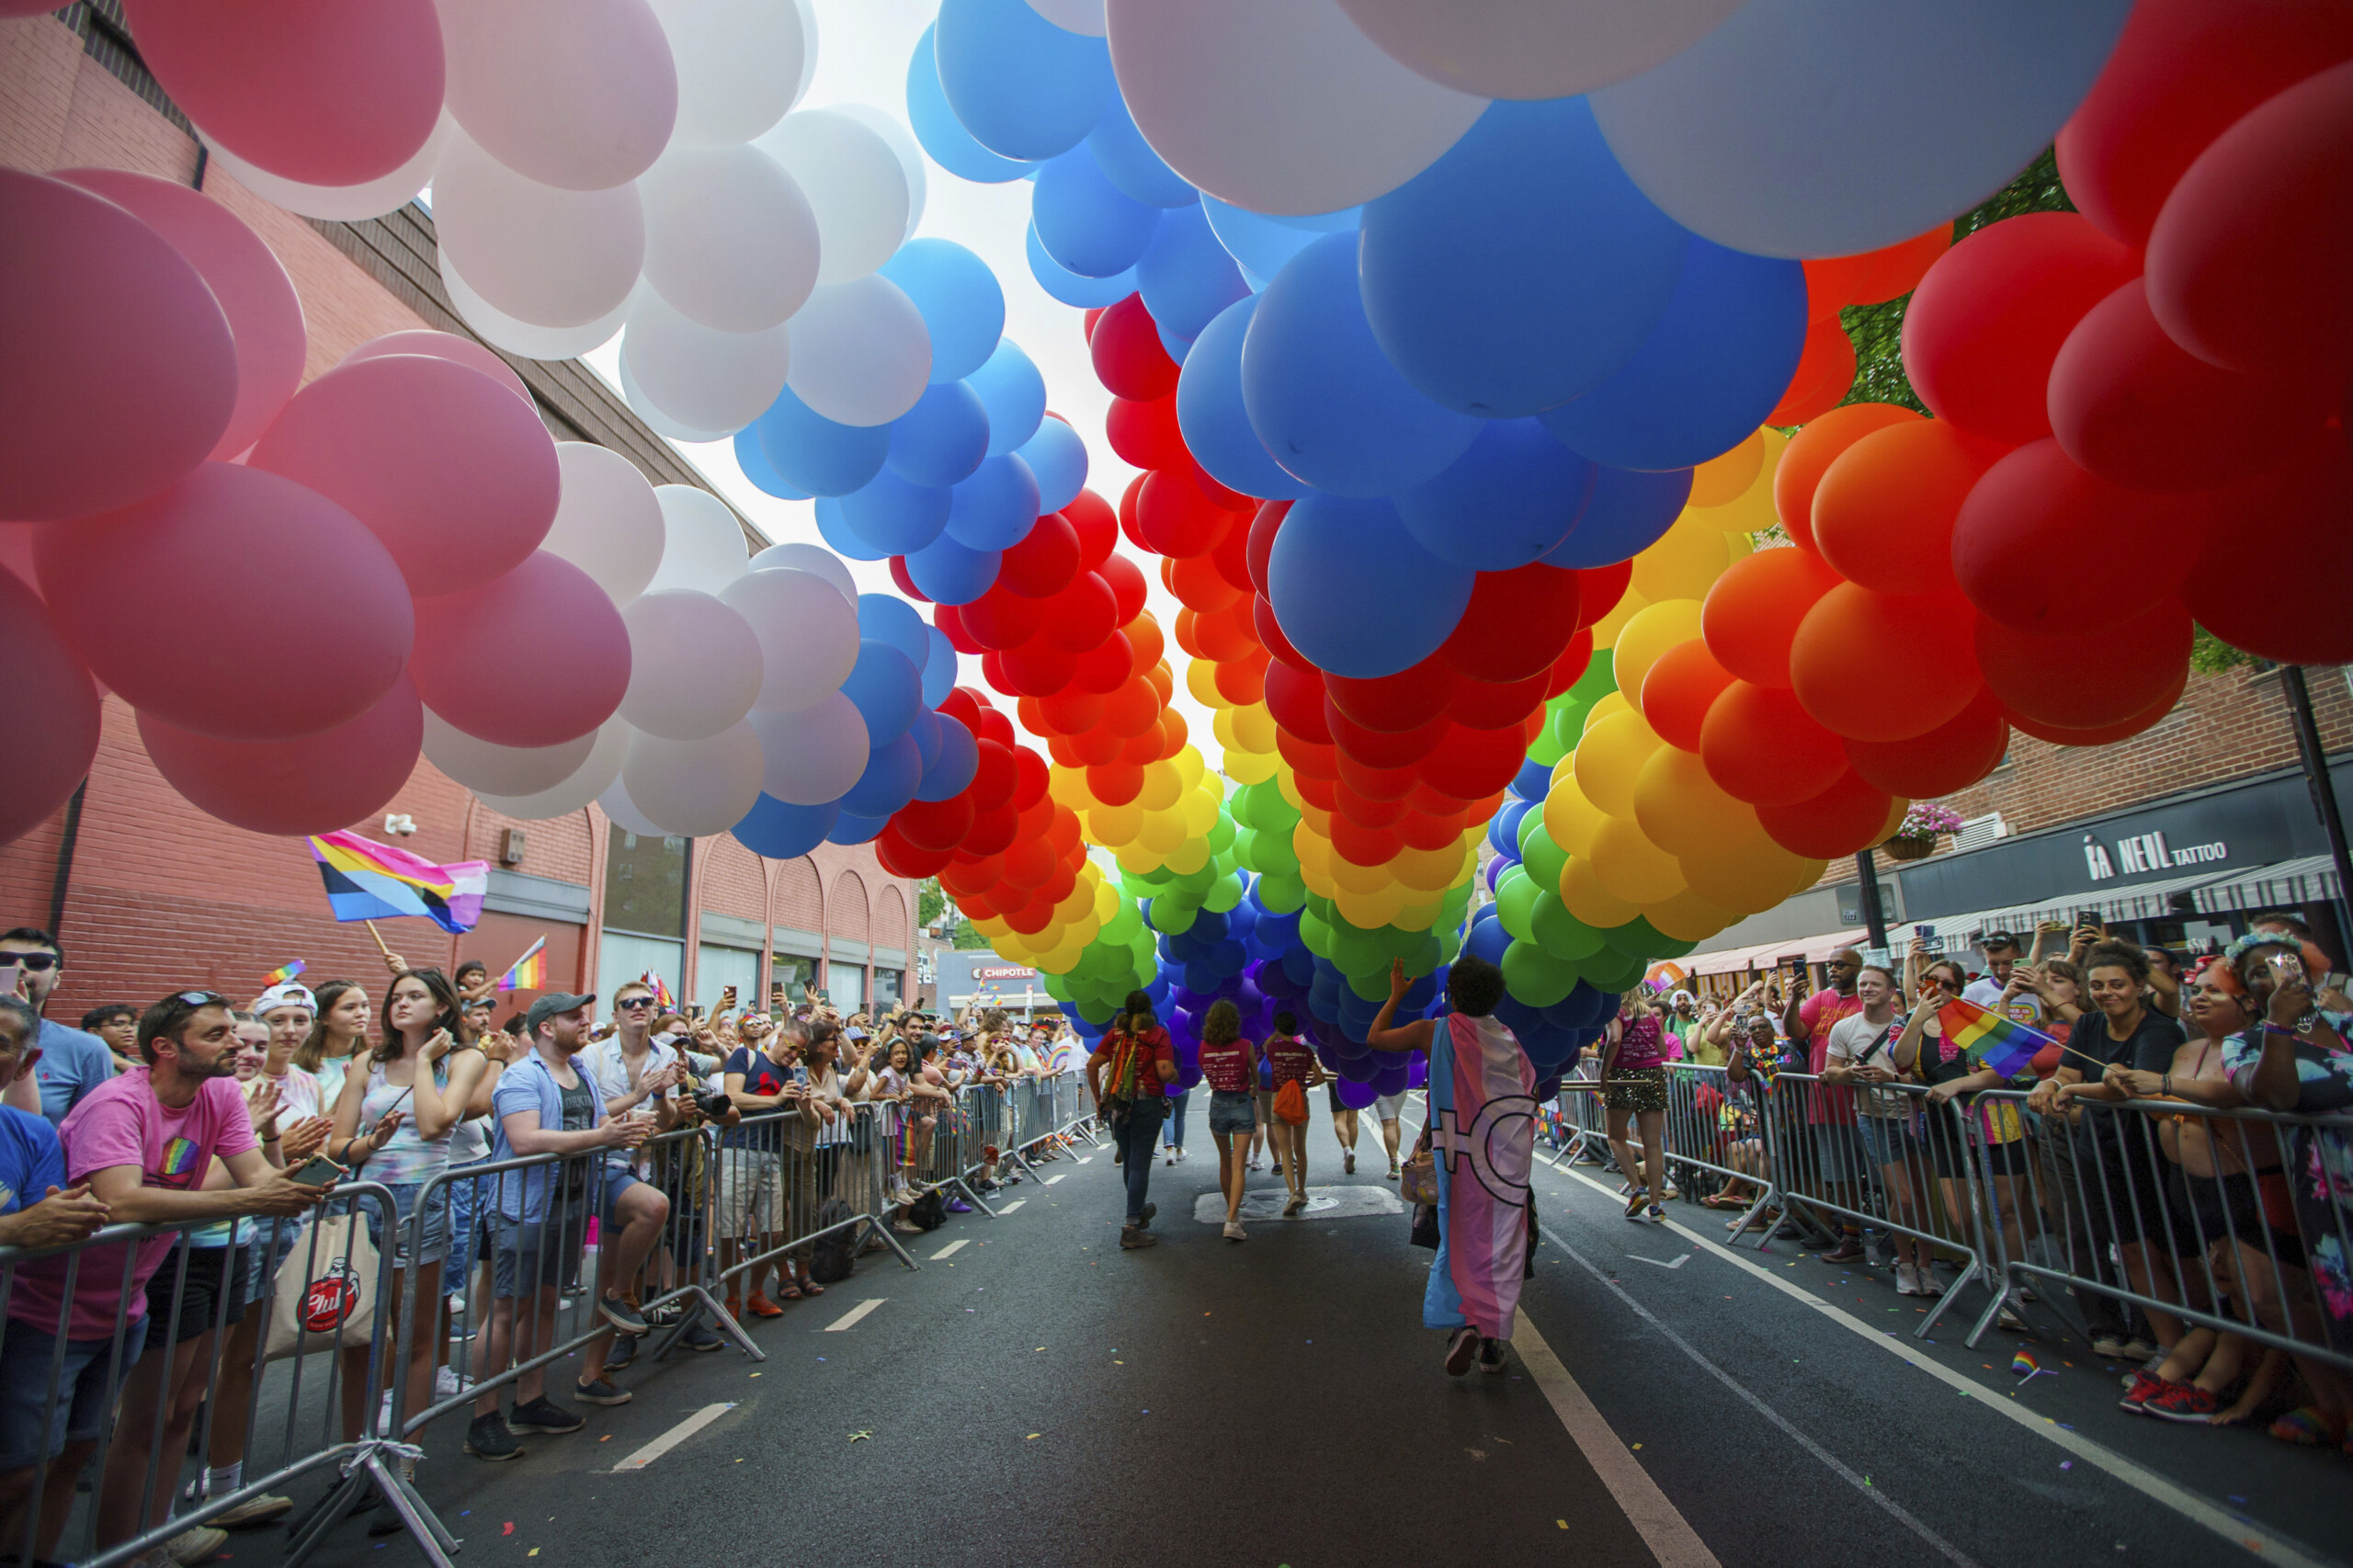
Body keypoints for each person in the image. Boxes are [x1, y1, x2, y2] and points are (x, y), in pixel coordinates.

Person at [0, 990, 333, 1568]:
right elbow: (122, 1201)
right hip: (47, 1310)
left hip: (123, 1306)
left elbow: (255, 1175)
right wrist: (258, 1196)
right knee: (23, 1469)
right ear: (165, 1049)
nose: (236, 1043)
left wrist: (282, 1181)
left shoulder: (222, 1091)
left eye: (233, 1031)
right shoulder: (116, 1103)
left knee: (75, 1454)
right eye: (217, 1035)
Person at [465, 993, 665, 1462]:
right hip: (523, 1208)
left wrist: (630, 1119)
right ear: (546, 1028)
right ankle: (484, 1415)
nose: (585, 1021)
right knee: (506, 1311)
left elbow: (597, 1120)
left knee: (547, 1304)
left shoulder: (582, 1075)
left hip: (570, 1206)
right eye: (574, 1016)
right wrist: (603, 1136)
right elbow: (523, 1139)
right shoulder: (520, 1075)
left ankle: (529, 1400)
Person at [327, 969, 490, 1461]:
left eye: (415, 996)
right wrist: (368, 1143)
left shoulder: (465, 1058)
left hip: (423, 1202)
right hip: (366, 1201)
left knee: (414, 1332)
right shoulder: (366, 1063)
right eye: (396, 997)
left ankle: (405, 1454)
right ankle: (355, 1451)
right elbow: (336, 1143)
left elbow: (435, 1122)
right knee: (361, 1332)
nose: (401, 1004)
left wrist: (423, 1062)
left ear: (441, 1008)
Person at [2218, 930, 2353, 1448]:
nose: (2274, 973)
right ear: (2247, 993)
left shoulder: (2345, 1022)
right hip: (2327, 1192)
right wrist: (2278, 1026)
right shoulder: (2245, 1042)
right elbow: (2275, 1095)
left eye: (2283, 963)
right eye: (2258, 971)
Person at [1367, 955, 1530, 1378]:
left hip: (1455, 1159)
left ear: (1451, 994)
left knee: (1457, 1238)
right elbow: (1526, 1091)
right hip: (1504, 1165)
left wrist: (1397, 995)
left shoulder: (1434, 1032)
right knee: (1502, 1245)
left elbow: (1377, 1037)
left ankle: (1462, 1325)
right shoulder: (1508, 1039)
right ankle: (1491, 1340)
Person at [2025, 942, 2190, 1354]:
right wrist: (2050, 1084)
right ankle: (2149, 1341)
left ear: (2138, 987)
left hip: (2148, 1151)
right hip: (2098, 1148)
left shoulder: (2158, 1028)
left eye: (2117, 984)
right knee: (2130, 1248)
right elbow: (2065, 1071)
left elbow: (2133, 1084)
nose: (2106, 992)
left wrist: (2075, 1089)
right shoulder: (2090, 1025)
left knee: (2162, 1248)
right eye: (2097, 985)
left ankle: (2172, 1342)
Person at [1822, 965, 1937, 1295]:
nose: (1867, 989)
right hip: (1875, 1119)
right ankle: (1904, 1263)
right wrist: (1850, 1073)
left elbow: (1927, 1071)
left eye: (1875, 984)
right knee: (1901, 1195)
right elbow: (1830, 1071)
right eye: (1863, 984)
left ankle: (1926, 1266)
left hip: (1916, 1118)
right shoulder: (1844, 1028)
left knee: (1922, 1196)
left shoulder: (1911, 1026)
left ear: (1891, 992)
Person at [1785, 948, 1868, 1261]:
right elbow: (1796, 1031)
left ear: (1858, 968)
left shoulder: (1867, 1001)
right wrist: (1794, 998)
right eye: (1830, 964)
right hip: (1825, 1104)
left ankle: (1901, 1241)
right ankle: (1852, 1239)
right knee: (1842, 1176)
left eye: (1840, 964)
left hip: (1864, 1104)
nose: (1833, 969)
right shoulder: (1820, 1000)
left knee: (1880, 1178)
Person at [721, 1004, 800, 1315]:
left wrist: (808, 1105)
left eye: (799, 1053)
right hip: (738, 1151)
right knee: (730, 1229)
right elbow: (732, 1097)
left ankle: (755, 1292)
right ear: (779, 1037)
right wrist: (776, 1099)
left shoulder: (790, 1073)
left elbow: (797, 1115)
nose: (794, 1056)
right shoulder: (746, 1056)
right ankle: (731, 1297)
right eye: (792, 1048)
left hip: (771, 1153)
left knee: (773, 1231)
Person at [1086, 990, 1176, 1251]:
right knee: (1139, 1163)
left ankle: (1138, 1210)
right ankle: (1132, 1226)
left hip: (1117, 1106)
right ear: (1149, 1009)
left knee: (1129, 1161)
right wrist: (1175, 1075)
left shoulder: (1115, 1035)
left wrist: (1098, 1099)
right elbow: (1165, 1071)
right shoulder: (1158, 1034)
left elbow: (1092, 1065)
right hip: (1146, 1104)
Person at [0, 928, 115, 1125]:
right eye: (5, 960)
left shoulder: (87, 1049)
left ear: (57, 979)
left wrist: (22, 1022)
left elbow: (89, 1129)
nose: (19, 967)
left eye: (37, 962)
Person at [1602, 989, 1671, 1224]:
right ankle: (1656, 1205)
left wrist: (1604, 1074)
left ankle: (1636, 1188)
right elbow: (1662, 1051)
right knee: (1652, 1144)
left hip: (1623, 1076)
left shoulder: (1615, 1012)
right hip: (1652, 1075)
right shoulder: (1650, 1014)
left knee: (1615, 1137)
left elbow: (1614, 1039)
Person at [1196, 999, 1258, 1242]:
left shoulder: (1203, 1047)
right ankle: (1232, 1219)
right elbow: (1254, 1076)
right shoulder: (1246, 1045)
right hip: (1241, 1102)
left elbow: (1207, 1073)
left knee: (1225, 1161)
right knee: (1239, 1163)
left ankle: (1231, 1210)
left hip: (1218, 1103)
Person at [1263, 1013, 1324, 1216]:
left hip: (1278, 1100)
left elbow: (1265, 1046)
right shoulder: (1305, 1052)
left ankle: (1291, 1193)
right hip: (1299, 1099)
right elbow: (1320, 1077)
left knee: (1285, 1150)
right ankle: (1302, 1190)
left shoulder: (1273, 1048)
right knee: (1300, 1149)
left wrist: (1276, 1033)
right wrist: (1306, 1085)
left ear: (1279, 1028)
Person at [294, 978, 371, 1124]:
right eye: (349, 1008)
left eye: (365, 1006)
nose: (361, 1013)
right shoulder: (299, 1070)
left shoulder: (374, 1062)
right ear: (323, 1017)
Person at [79, 1002, 138, 1074]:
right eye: (118, 1024)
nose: (129, 1029)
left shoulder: (134, 1062)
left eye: (131, 1024)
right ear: (93, 1033)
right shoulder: (84, 1063)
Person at [1372, 1085, 1409, 1180]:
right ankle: (1395, 1160)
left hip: (1380, 1084)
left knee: (1389, 1123)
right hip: (1400, 1083)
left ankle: (1394, 1164)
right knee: (1395, 1119)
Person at [1326, 1074, 1362, 1176]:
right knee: (1353, 1120)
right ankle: (1351, 1151)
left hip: (1335, 1076)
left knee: (1339, 1119)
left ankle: (1347, 1149)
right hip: (1355, 1077)